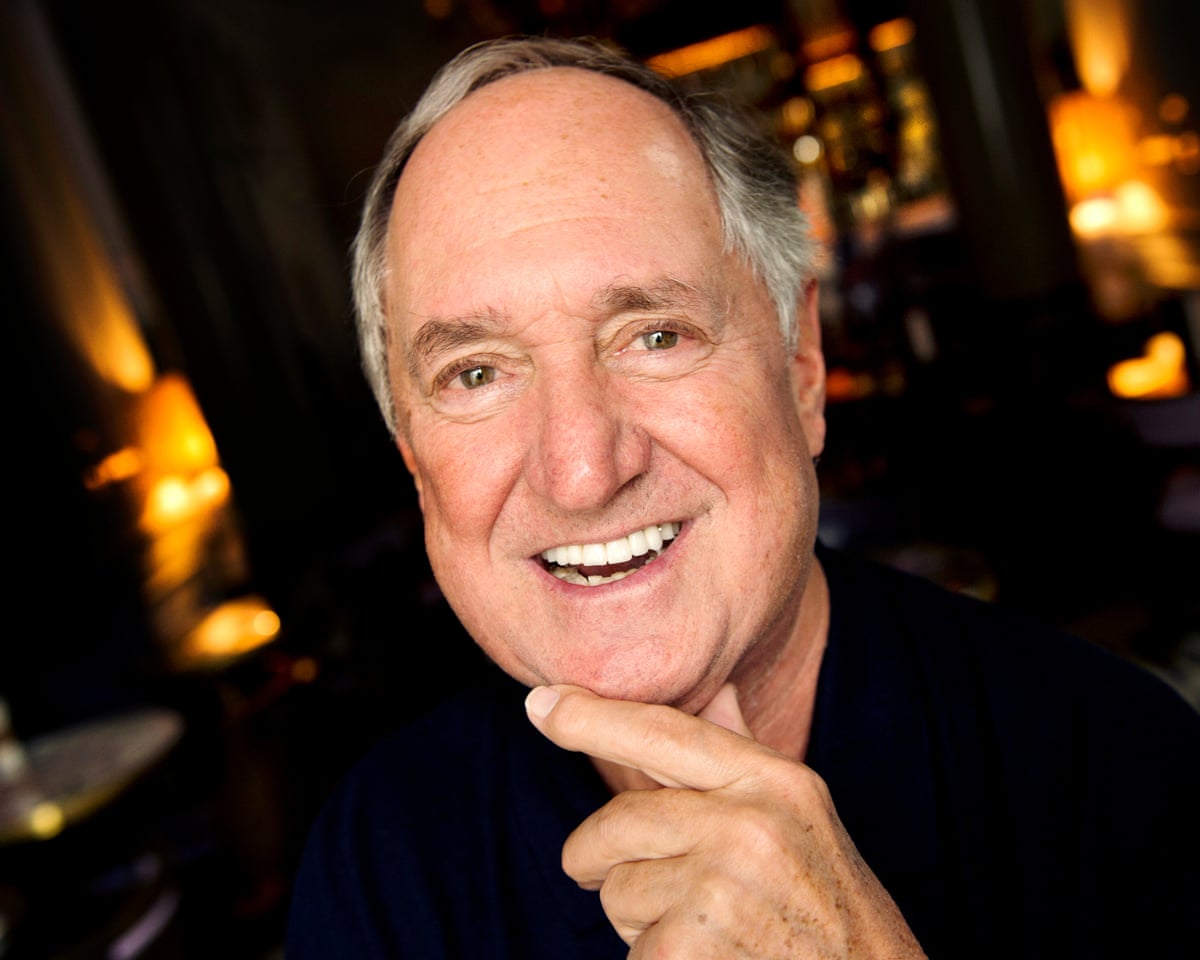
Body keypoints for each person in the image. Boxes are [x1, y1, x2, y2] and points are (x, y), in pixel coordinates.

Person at [286, 34, 1200, 959]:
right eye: (477, 373)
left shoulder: (1120, 765)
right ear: (414, 458)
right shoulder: (374, 869)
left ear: (802, 368)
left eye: (656, 335)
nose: (582, 472)